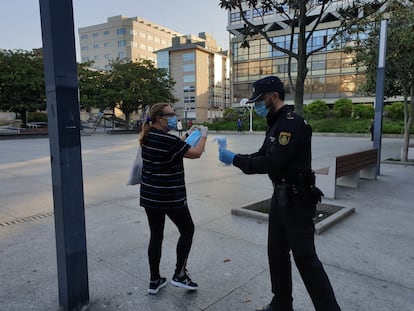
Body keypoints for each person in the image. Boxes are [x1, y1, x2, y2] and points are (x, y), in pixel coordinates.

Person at [218, 76, 341, 311]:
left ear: (274, 97)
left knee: (306, 259)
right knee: (276, 253)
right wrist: (236, 158)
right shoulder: (276, 123)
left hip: (296, 198)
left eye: (259, 100)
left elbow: (274, 163)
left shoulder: (292, 124)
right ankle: (281, 303)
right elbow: (263, 153)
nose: (257, 106)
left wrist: (235, 160)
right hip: (280, 197)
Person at [139, 103, 208, 295]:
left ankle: (154, 280)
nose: (174, 116)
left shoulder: (148, 136)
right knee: (187, 230)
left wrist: (188, 135)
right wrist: (203, 135)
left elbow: (174, 147)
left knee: (156, 235)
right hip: (169, 196)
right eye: (170, 114)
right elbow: (195, 153)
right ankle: (180, 274)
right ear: (160, 118)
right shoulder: (167, 140)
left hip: (150, 196)